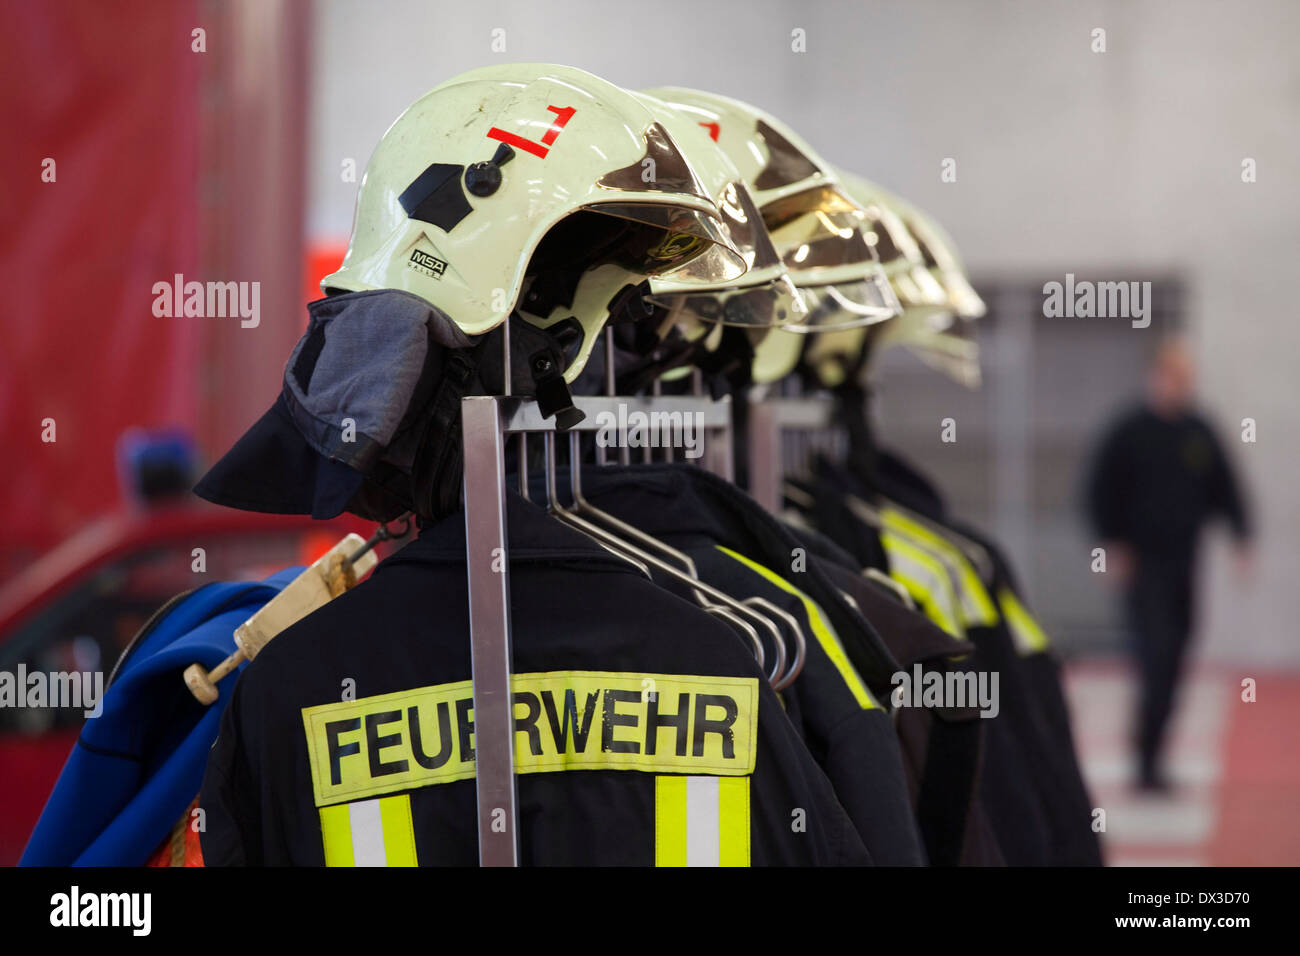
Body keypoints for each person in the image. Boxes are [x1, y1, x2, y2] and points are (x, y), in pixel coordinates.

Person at [1085, 336, 1252, 792]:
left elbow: (1225, 486)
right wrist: (1111, 546)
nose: (1180, 385)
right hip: (1144, 566)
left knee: (1176, 656)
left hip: (1185, 563)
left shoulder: (1198, 431)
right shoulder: (1129, 431)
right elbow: (1099, 491)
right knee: (1155, 657)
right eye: (1173, 376)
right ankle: (1145, 763)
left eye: (1187, 378)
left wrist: (1241, 536)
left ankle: (1154, 754)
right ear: (1155, 377)